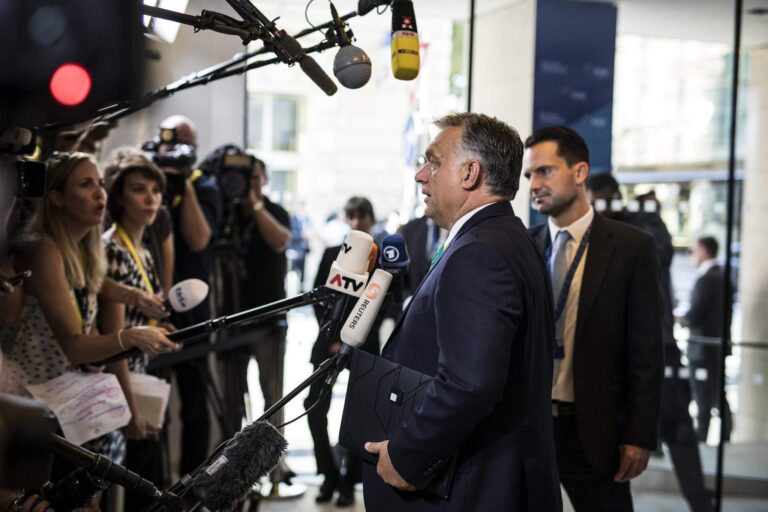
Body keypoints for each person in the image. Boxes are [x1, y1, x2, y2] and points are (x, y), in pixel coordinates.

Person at [362, 114, 561, 511]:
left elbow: (470, 384)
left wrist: (407, 456)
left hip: (472, 486)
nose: (420, 175)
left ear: (470, 173)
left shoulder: (478, 252)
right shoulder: (506, 237)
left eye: (433, 162)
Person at [0, 152, 178, 505]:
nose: (100, 194)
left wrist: (131, 300)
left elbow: (92, 299)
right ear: (56, 197)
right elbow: (74, 344)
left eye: (100, 184)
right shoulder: (45, 250)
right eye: (85, 185)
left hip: (63, 405)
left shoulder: (81, 248)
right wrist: (129, 337)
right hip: (32, 402)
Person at [525, 126, 664, 512]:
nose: (534, 184)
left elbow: (647, 350)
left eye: (545, 171)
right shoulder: (525, 245)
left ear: (580, 172)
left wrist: (639, 435)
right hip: (530, 425)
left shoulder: (632, 247)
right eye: (529, 175)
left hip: (593, 430)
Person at [587, 174, 713, 511]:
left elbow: (658, 255)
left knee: (679, 432)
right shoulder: (594, 232)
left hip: (659, 352)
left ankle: (701, 503)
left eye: (604, 201)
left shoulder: (642, 230)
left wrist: (644, 214)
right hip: (615, 359)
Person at [100, 152, 171, 509]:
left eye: (155, 190)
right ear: (118, 198)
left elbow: (134, 319)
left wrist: (159, 328)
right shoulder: (112, 249)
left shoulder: (143, 251)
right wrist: (128, 408)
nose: (150, 198)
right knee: (114, 489)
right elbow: (115, 338)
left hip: (138, 376)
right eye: (138, 190)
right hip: (114, 384)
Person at [157, 115, 222, 476]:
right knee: (149, 403)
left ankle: (189, 485)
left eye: (182, 144)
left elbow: (199, 239)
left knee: (194, 405)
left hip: (192, 310)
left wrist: (184, 179)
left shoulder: (204, 185)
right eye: (167, 142)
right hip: (149, 307)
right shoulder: (149, 179)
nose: (173, 150)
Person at [307, 196, 380, 508]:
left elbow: (381, 308)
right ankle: (328, 474)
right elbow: (318, 298)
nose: (356, 222)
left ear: (371, 219)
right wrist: (334, 337)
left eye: (362, 216)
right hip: (328, 343)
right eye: (351, 216)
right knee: (313, 407)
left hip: (364, 348)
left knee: (358, 415)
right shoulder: (331, 254)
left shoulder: (382, 259)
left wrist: (353, 341)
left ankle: (350, 482)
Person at [681, 236, 732, 444]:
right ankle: (724, 437)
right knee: (718, 393)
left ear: (703, 250)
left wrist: (680, 319)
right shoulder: (722, 276)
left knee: (704, 396)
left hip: (703, 349)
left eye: (693, 250)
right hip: (715, 347)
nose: (692, 255)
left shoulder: (707, 278)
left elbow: (694, 315)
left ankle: (702, 439)